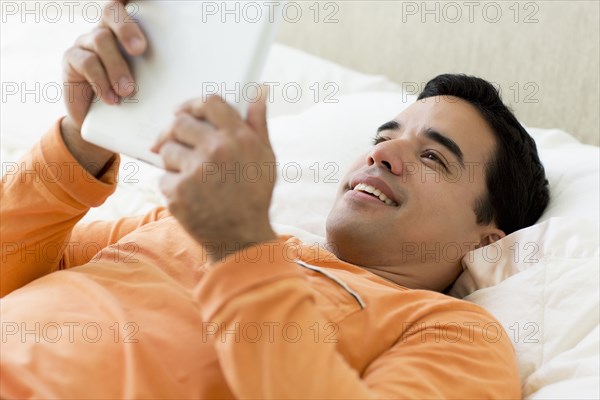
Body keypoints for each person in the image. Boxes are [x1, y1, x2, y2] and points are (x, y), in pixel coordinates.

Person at [1, 1, 549, 398]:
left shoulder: (454, 334)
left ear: (487, 238)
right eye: (383, 139)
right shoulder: (175, 222)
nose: (381, 156)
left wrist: (238, 245)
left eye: (434, 158)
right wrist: (86, 136)